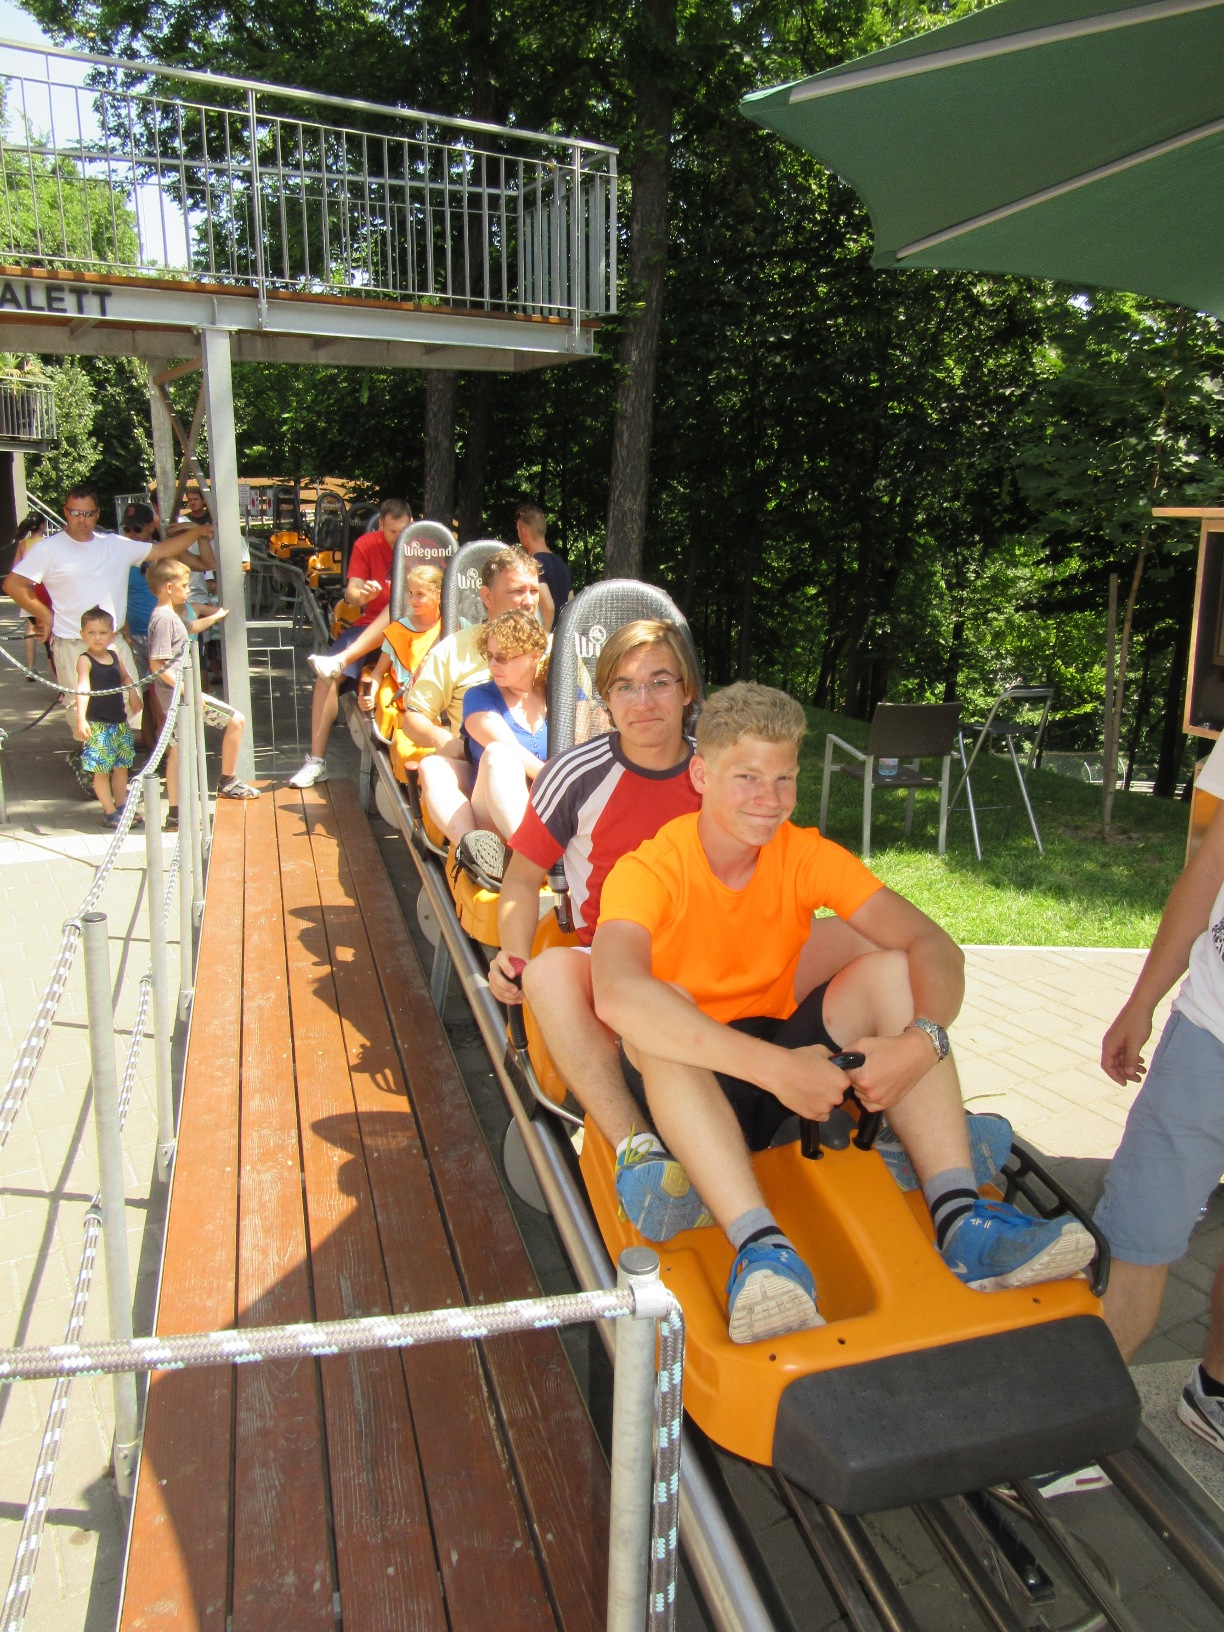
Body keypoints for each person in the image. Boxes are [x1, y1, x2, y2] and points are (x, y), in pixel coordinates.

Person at [589, 683, 1094, 1344]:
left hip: (782, 1065)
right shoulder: (649, 869)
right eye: (747, 778)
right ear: (702, 775)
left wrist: (923, 1042)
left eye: (784, 779)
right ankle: (761, 1248)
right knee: (664, 1006)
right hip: (687, 1084)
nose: (770, 799)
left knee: (893, 969)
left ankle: (959, 1216)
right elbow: (617, 993)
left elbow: (934, 945)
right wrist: (775, 1069)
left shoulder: (803, 854)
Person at [491, 631, 1011, 1244]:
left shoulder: (736, 755)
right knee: (577, 981)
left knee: (882, 948)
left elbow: (931, 942)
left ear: (687, 692)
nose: (644, 701)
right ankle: (639, 1147)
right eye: (625, 687)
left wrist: (925, 1042)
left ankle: (915, 1110)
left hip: (727, 944)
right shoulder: (589, 782)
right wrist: (514, 953)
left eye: (660, 682)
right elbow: (526, 882)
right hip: (624, 950)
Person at [1098, 734, 1224, 1451]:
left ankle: (1215, 1389)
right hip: (1212, 1030)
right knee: (1135, 1239)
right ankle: (1069, 1423)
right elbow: (1209, 869)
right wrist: (1142, 1001)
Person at [2, 485, 192, 739]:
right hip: (72, 643)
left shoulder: (114, 544)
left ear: (97, 514)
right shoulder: (49, 548)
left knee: (130, 704)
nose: (82, 520)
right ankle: (95, 761)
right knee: (83, 714)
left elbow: (163, 550)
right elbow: (13, 585)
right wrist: (44, 615)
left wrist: (199, 531)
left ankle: (118, 758)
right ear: (65, 512)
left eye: (88, 513)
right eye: (75, 513)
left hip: (112, 642)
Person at [400, 547, 541, 843]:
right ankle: (474, 848)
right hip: (478, 768)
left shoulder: (553, 652)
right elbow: (412, 719)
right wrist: (444, 741)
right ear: (487, 597)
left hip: (544, 768)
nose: (528, 601)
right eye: (517, 591)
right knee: (438, 766)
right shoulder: (453, 650)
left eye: (533, 591)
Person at [290, 498, 412, 787]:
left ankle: (342, 659)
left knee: (399, 604)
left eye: (403, 531)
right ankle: (317, 761)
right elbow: (352, 593)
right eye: (392, 531)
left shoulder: (422, 547)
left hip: (410, 629)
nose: (398, 538)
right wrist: (362, 596)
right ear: (380, 525)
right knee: (326, 678)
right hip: (370, 628)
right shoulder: (367, 545)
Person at [146, 559, 259, 820]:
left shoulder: (171, 615)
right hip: (179, 696)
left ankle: (175, 814)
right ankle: (228, 780)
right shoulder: (164, 619)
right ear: (169, 587)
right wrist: (189, 691)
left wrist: (217, 616)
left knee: (176, 752)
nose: (188, 590)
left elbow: (193, 627)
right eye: (185, 586)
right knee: (236, 720)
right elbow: (157, 664)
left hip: (178, 696)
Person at [451, 610, 548, 869]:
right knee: (498, 754)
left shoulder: (560, 693)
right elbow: (511, 748)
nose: (492, 665)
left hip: (550, 809)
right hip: (493, 818)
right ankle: (535, 856)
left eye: (502, 658)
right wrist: (560, 782)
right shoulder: (479, 697)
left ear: (534, 656)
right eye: (489, 656)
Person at [75, 607, 141, 828]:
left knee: (121, 766)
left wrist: (133, 692)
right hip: (98, 724)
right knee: (101, 770)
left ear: (112, 635)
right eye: (91, 632)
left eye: (103, 633)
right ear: (82, 634)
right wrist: (81, 719)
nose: (97, 638)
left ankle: (121, 806)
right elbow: (82, 688)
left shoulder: (114, 655)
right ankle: (109, 811)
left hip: (119, 721)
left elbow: (125, 677)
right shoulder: (85, 660)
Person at [358, 564, 443, 716]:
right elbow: (378, 672)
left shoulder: (456, 625)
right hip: (411, 702)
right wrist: (369, 695)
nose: (413, 600)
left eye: (420, 594)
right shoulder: (399, 630)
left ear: (438, 595)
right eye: (410, 593)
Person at [515, 504, 571, 632]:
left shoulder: (534, 564)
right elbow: (571, 604)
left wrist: (544, 637)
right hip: (562, 636)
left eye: (518, 531)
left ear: (523, 532)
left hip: (545, 637)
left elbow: (549, 607)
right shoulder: (562, 565)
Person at [12, 513, 49, 678]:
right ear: (42, 526)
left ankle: (31, 667)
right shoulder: (47, 543)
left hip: (28, 590)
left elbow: (16, 567)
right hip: (45, 589)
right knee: (50, 626)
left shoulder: (22, 544)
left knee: (31, 628)